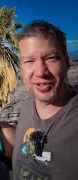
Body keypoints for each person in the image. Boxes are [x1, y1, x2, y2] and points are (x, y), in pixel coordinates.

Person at [12, 20, 78, 179]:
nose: (41, 71)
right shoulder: (27, 107)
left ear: (67, 62)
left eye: (51, 58)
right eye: (29, 61)